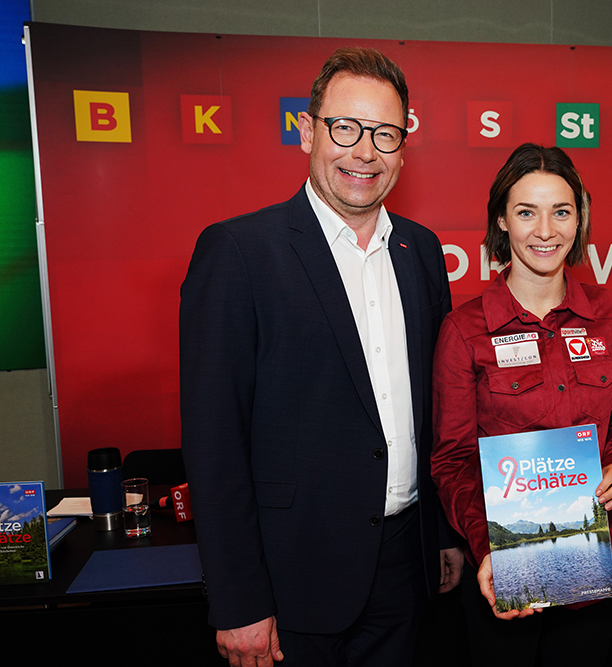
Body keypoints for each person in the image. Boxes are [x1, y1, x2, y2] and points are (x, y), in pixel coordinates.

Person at [180, 46, 463, 667]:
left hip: (405, 570)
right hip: (290, 581)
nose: (365, 151)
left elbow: (435, 416)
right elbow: (213, 442)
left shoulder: (420, 252)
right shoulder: (238, 253)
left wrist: (441, 536)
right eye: (346, 128)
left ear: (403, 147)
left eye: (385, 134)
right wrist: (237, 599)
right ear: (308, 130)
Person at [431, 143, 612, 665]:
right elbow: (452, 461)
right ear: (502, 219)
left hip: (593, 568)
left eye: (561, 212)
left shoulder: (609, 315)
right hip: (504, 571)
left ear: (579, 221)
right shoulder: (466, 331)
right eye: (527, 211)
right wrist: (489, 548)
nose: (545, 230)